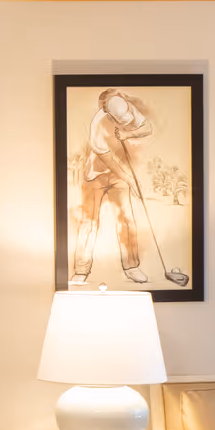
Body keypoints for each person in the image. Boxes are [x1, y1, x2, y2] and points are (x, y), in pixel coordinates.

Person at [71, 88, 154, 285]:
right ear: (109, 113)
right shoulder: (98, 125)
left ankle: (131, 266)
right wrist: (131, 180)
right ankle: (81, 271)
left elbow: (147, 128)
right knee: (89, 223)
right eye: (119, 121)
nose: (124, 122)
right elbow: (108, 160)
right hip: (96, 175)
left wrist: (126, 134)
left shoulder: (126, 107)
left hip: (120, 175)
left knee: (126, 218)